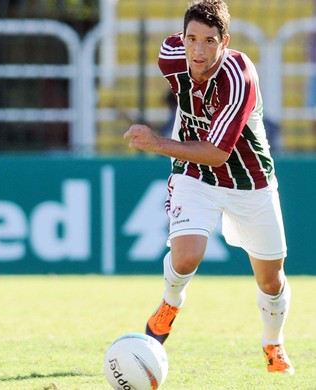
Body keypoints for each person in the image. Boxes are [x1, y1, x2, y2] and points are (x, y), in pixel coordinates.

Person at [123, 0, 293, 374]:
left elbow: (217, 154)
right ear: (181, 38)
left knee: (271, 278)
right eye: (191, 39)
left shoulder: (239, 76)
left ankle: (273, 344)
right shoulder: (171, 55)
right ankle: (169, 304)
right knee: (186, 256)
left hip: (250, 180)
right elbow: (203, 159)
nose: (198, 51)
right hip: (193, 173)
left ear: (224, 41)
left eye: (209, 41)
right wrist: (170, 148)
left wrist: (157, 143)